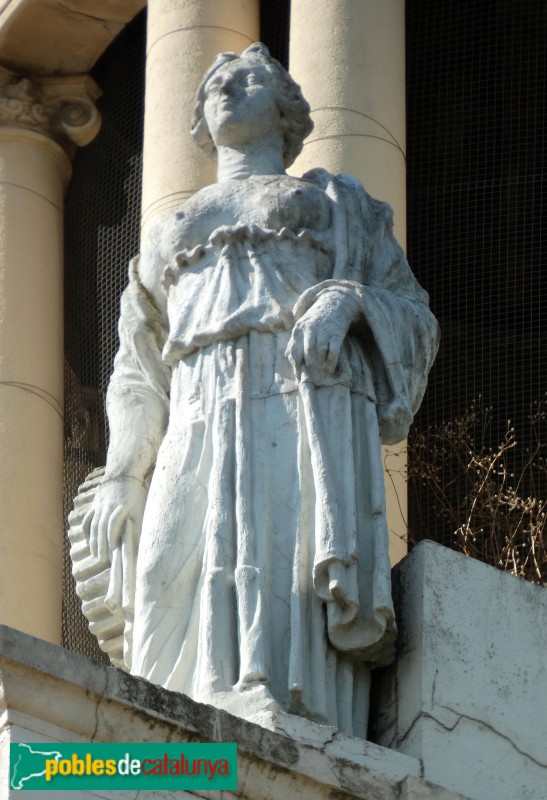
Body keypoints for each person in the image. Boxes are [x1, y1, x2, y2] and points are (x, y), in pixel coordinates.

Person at [80, 43, 439, 737]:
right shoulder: (164, 236)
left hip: (295, 403)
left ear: (284, 112)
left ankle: (288, 722)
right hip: (193, 411)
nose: (224, 88)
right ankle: (161, 755)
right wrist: (125, 473)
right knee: (162, 573)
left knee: (281, 567)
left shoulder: (335, 205)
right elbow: (137, 370)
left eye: (245, 79)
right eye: (213, 82)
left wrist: (347, 303)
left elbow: (409, 310)